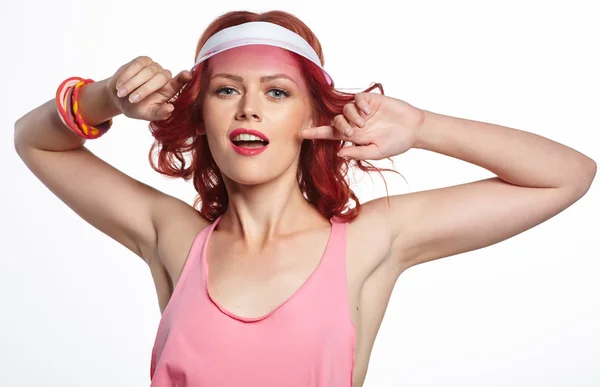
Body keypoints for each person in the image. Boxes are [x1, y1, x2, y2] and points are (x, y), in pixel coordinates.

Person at [13, 9, 596, 387]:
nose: (250, 107)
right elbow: (35, 143)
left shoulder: (371, 237)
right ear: (200, 115)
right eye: (225, 90)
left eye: (276, 91)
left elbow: (567, 174)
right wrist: (107, 98)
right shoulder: (176, 237)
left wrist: (423, 127)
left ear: (313, 116)